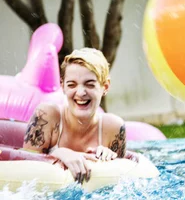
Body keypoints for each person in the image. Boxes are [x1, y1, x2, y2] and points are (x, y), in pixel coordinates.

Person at [22, 48, 127, 183]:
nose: (80, 93)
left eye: (89, 85)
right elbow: (25, 171)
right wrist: (59, 153)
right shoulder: (48, 116)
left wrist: (108, 159)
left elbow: (120, 182)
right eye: (71, 85)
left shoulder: (113, 128)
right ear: (63, 86)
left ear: (105, 87)